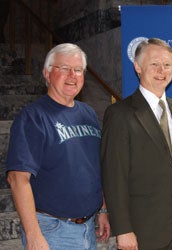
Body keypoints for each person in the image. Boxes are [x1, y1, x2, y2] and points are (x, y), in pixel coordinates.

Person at [6, 43, 110, 250]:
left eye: (78, 70)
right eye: (63, 68)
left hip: (87, 228)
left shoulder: (88, 113)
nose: (72, 75)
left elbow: (94, 167)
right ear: (47, 73)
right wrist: (33, 235)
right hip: (52, 230)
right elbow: (17, 179)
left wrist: (103, 210)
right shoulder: (33, 117)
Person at [101, 38, 172, 250]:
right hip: (140, 232)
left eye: (167, 65)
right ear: (138, 67)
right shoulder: (119, 114)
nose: (162, 70)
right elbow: (114, 176)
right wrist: (123, 229)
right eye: (154, 64)